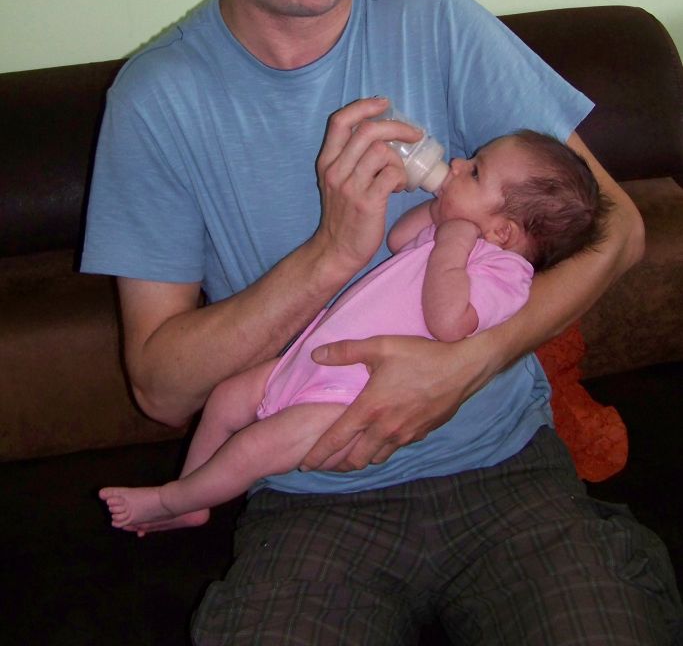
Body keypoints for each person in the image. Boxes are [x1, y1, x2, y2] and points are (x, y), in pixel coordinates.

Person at [82, 0, 681, 643]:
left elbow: (621, 230)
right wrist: (330, 254)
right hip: (310, 493)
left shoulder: (431, 17)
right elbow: (161, 389)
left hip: (506, 470)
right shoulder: (157, 101)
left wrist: (466, 366)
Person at [99, 130, 612, 536]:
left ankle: (174, 500)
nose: (457, 164)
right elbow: (401, 238)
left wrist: (453, 240)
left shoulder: (507, 276)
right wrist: (437, 210)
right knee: (228, 398)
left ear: (503, 232)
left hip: (351, 399)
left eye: (475, 171)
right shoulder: (454, 232)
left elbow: (449, 322)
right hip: (314, 358)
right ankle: (193, 489)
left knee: (254, 449)